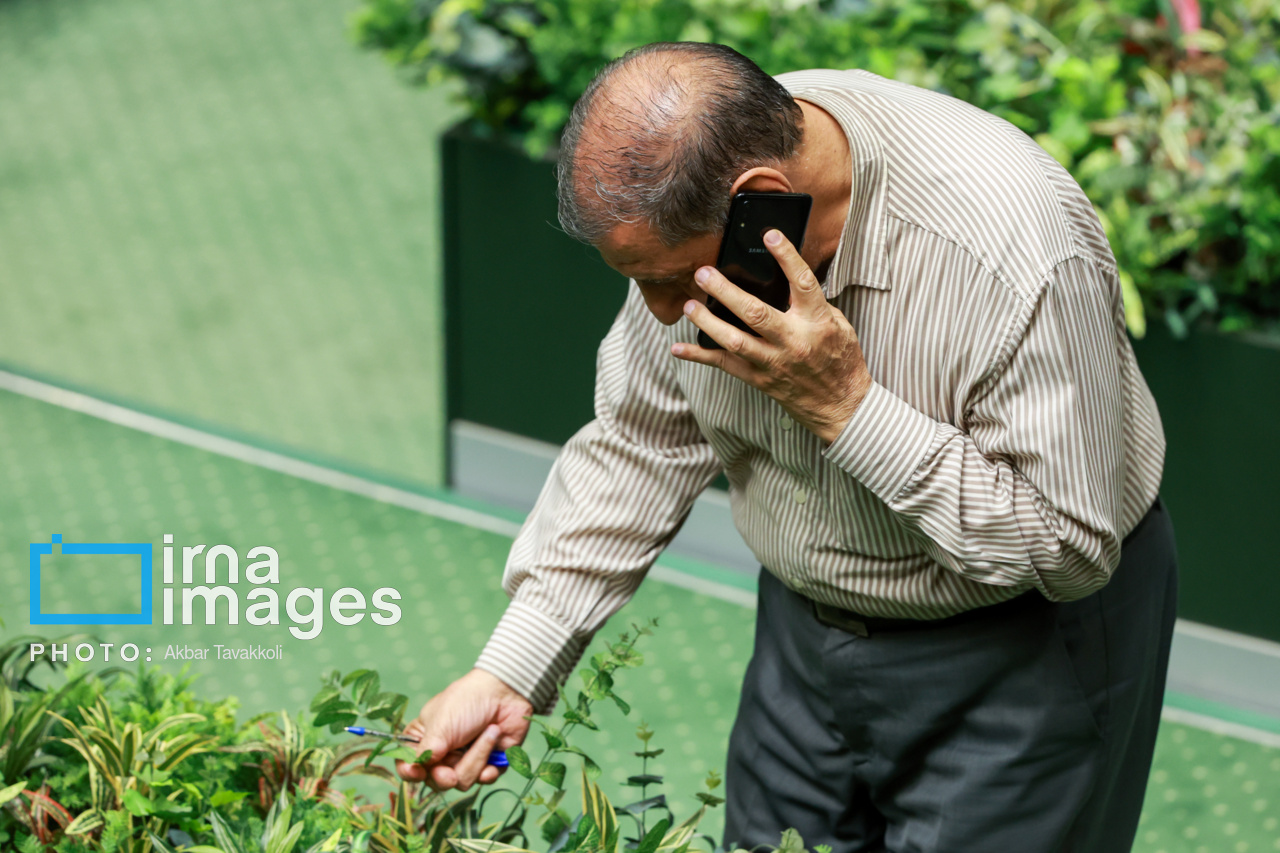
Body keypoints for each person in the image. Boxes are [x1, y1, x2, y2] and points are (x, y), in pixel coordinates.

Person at [398, 42, 1179, 853]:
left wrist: (849, 407)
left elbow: (1064, 545)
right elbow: (640, 440)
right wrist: (509, 669)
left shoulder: (1013, 247)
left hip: (1023, 652)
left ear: (761, 204)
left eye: (669, 280)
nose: (661, 312)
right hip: (802, 639)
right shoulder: (715, 185)